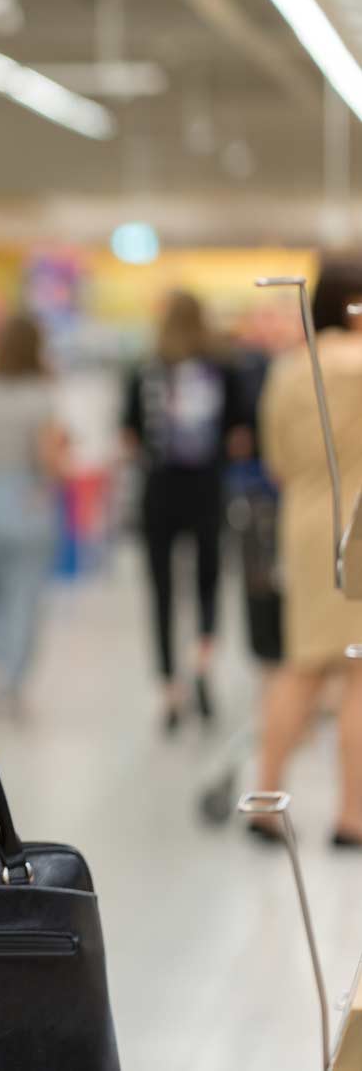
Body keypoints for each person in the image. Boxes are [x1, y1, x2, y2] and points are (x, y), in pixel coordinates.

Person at [252, 258, 362, 847]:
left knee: (300, 666)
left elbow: (274, 462)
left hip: (306, 524)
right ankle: (352, 815)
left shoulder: (291, 369)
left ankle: (265, 801)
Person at [122, 291, 249, 732]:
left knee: (161, 591)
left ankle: (169, 690)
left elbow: (130, 436)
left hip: (158, 491)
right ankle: (202, 666)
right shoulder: (225, 367)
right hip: (207, 490)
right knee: (208, 584)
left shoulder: (144, 369)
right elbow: (240, 435)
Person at [0, 314, 68, 709]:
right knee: (26, 593)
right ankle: (13, 680)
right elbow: (47, 457)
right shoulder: (40, 395)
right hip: (29, 497)